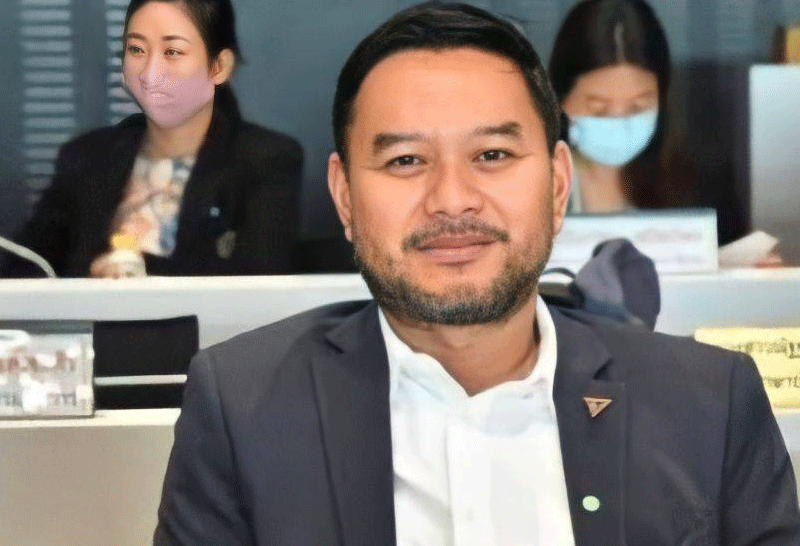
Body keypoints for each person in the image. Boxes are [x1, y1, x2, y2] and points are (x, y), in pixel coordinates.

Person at [154, 3, 800, 545]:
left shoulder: (709, 402)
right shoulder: (243, 406)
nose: (452, 199)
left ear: (557, 184)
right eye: (406, 161)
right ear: (345, 197)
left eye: (492, 154)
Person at [2, 0, 302, 278]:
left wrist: (132, 270)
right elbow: (26, 267)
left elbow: (259, 278)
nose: (150, 73)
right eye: (136, 50)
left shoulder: (265, 159)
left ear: (218, 66)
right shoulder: (87, 156)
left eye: (172, 52)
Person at [549, 0, 691, 213]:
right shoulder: (540, 187)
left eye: (638, 108)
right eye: (599, 110)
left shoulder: (677, 178)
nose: (619, 122)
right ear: (560, 99)